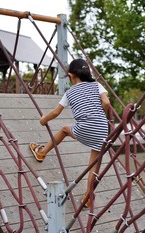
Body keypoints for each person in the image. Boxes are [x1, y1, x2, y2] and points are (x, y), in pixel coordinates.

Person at [29, 58, 110, 208]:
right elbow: (106, 103)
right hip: (102, 129)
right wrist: (100, 114)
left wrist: (43, 120)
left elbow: (56, 112)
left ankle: (42, 152)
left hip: (84, 128)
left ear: (71, 75)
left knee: (65, 129)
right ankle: (88, 196)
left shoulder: (70, 92)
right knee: (93, 164)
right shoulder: (96, 85)